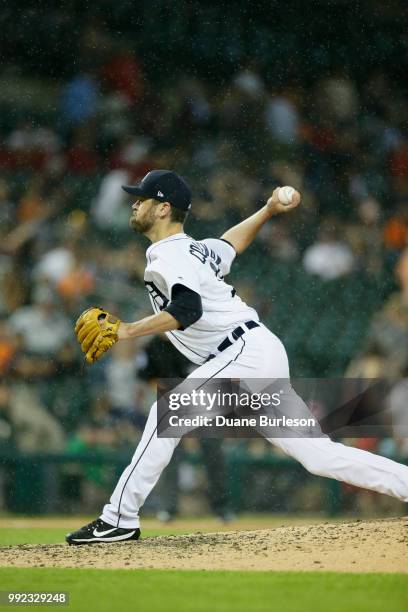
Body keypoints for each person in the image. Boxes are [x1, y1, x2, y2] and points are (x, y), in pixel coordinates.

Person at [66, 170, 408, 544]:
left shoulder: (167, 253)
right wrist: (267, 209)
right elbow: (230, 245)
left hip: (244, 354)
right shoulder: (193, 249)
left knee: (168, 411)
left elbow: (188, 309)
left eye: (142, 198)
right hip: (256, 353)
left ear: (163, 208)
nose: (134, 203)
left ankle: (118, 517)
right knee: (319, 456)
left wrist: (127, 330)